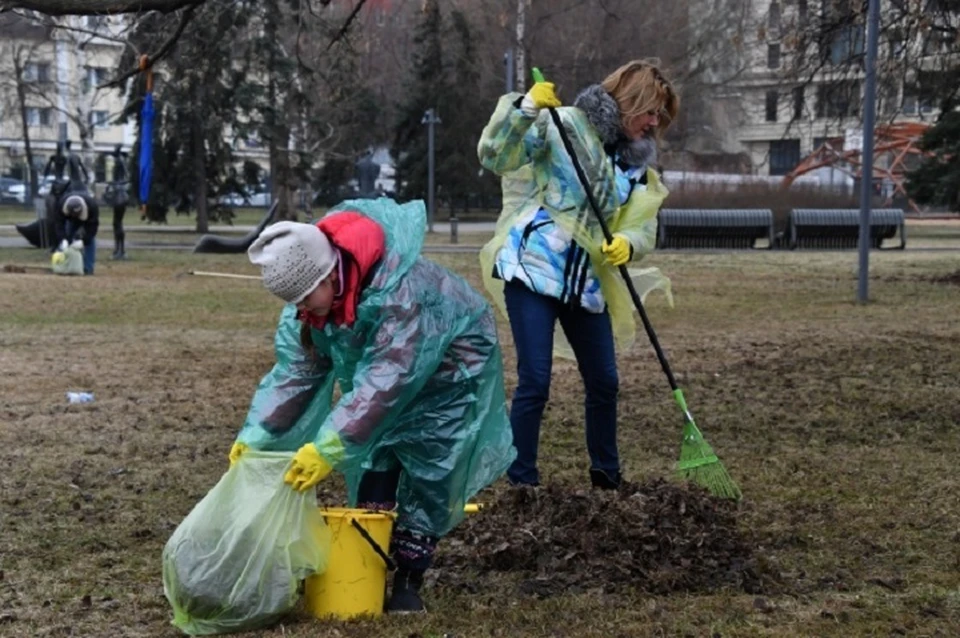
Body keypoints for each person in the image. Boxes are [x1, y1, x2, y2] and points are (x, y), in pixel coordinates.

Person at [230, 197, 515, 614]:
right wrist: (257, 434)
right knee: (375, 459)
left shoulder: (399, 293)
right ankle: (370, 563)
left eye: (307, 297)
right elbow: (296, 373)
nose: (302, 309)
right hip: (385, 375)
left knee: (430, 472)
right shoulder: (310, 308)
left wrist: (329, 445)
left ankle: (409, 577)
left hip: (452, 372)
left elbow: (387, 381)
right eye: (296, 303)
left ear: (330, 275)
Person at [477, 59, 679, 489]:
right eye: (650, 111)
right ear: (630, 102)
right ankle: (522, 483)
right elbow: (496, 155)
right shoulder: (563, 126)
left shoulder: (635, 166)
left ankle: (607, 477)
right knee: (535, 379)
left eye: (659, 115)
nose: (654, 123)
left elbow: (642, 225)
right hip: (532, 268)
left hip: (585, 282)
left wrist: (629, 242)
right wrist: (526, 109)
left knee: (605, 380)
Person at [55, 192, 99, 275]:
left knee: (90, 242)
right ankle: (63, 266)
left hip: (88, 219)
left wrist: (84, 241)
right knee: (67, 238)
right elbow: (59, 224)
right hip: (69, 220)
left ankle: (88, 268)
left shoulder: (92, 206)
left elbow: (92, 229)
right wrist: (63, 239)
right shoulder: (61, 205)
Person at [105, 145, 130, 259]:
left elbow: (126, 177)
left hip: (119, 194)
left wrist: (116, 184)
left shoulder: (120, 161)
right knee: (116, 223)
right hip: (118, 192)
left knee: (117, 223)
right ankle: (118, 249)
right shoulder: (119, 160)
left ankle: (120, 250)